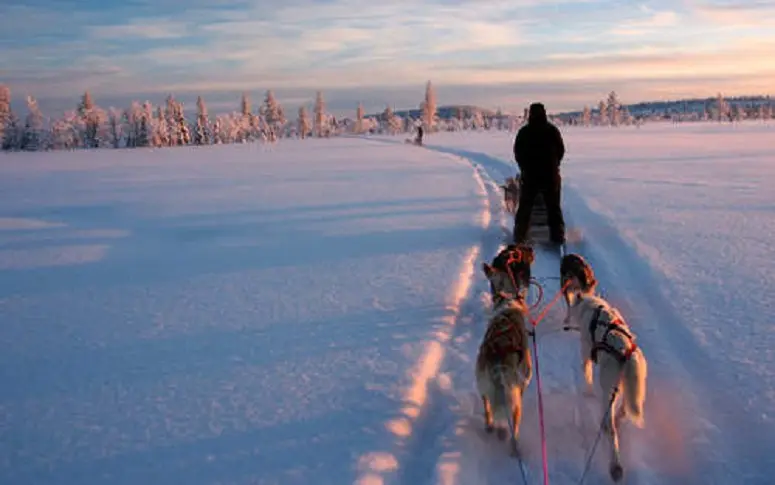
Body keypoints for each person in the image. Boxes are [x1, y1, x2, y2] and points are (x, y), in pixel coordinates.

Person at [512, 102, 566, 245]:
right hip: (550, 176)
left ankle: (519, 235)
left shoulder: (524, 132)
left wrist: (524, 167)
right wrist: (554, 165)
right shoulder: (552, 130)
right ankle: (558, 235)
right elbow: (561, 150)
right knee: (554, 207)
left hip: (530, 177)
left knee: (525, 206)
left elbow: (517, 153)